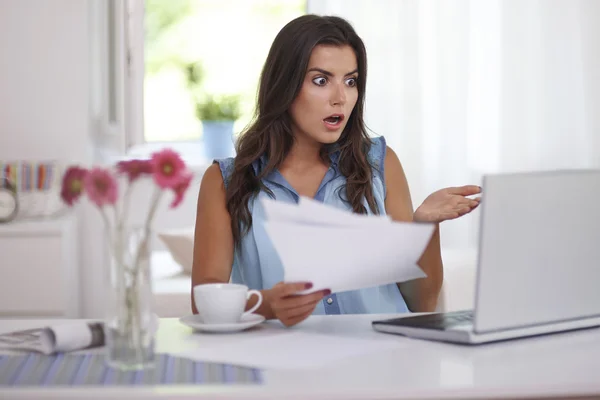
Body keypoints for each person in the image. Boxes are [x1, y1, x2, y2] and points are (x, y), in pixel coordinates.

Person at [191, 14, 480, 327]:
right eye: (321, 80)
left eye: (351, 81)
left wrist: (424, 226)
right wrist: (266, 305)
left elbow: (421, 301)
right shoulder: (225, 181)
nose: (340, 98)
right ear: (284, 85)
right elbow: (203, 300)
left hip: (383, 362)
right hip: (284, 366)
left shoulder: (381, 164)